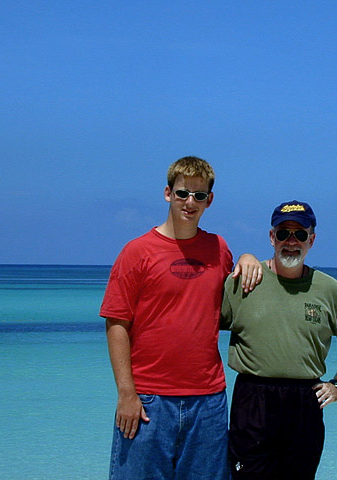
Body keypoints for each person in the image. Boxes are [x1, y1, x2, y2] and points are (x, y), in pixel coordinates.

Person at [99, 156, 262, 480]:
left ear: (209, 200)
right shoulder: (137, 252)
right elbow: (117, 323)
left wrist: (248, 256)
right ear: (167, 193)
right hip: (148, 400)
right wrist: (126, 393)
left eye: (199, 196)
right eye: (183, 193)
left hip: (208, 401)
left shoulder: (219, 248)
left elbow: (231, 293)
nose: (190, 202)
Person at [221, 200, 337, 479]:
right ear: (271, 237)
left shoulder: (330, 290)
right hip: (253, 399)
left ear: (311, 240)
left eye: (300, 234)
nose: (291, 242)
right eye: (283, 234)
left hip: (305, 401)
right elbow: (198, 324)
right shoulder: (244, 281)